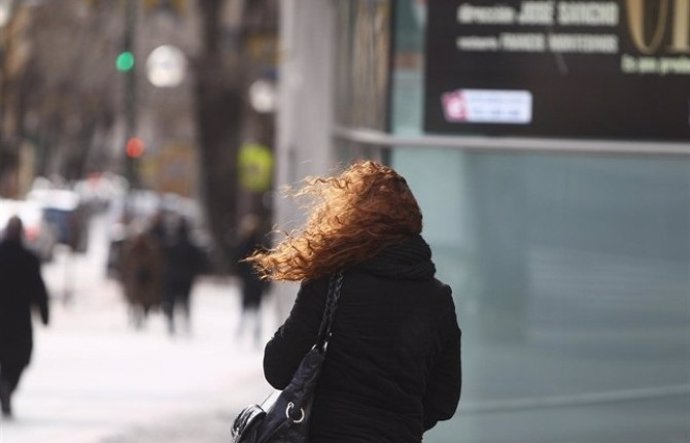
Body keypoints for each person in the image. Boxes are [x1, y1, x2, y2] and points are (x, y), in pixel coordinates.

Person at [246, 161, 462, 442]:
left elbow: (278, 369)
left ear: (349, 220)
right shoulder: (437, 298)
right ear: (412, 224)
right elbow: (444, 401)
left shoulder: (330, 282)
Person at [0, 216, 50, 418]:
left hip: (13, 317)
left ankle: (5, 385)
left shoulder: (28, 258)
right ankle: (8, 386)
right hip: (19, 319)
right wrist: (45, 313)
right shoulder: (28, 257)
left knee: (17, 358)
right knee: (20, 358)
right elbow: (39, 289)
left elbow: (38, 287)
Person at [162, 218, 204, 335]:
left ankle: (172, 324)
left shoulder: (171, 245)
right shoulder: (191, 247)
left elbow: (164, 261)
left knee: (172, 302)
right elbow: (199, 262)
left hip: (174, 278)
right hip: (186, 278)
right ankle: (185, 324)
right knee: (185, 302)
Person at [235, 214, 270, 346]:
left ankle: (246, 334)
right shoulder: (262, 246)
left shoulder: (243, 245)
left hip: (250, 283)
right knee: (255, 310)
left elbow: (237, 264)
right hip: (256, 283)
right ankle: (251, 334)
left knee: (247, 309)